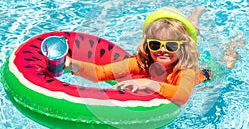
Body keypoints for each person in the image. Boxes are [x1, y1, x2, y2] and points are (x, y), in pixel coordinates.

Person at [65, 6, 239, 106]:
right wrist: (71, 64)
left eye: (170, 46)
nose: (162, 50)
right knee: (190, 37)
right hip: (183, 50)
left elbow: (182, 96)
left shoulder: (186, 70)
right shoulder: (142, 62)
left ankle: (235, 44)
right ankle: (192, 23)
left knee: (226, 63)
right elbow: (100, 73)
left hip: (206, 75)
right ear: (147, 46)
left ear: (181, 49)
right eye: (155, 44)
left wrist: (149, 83)